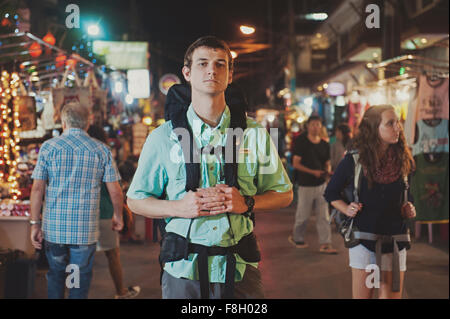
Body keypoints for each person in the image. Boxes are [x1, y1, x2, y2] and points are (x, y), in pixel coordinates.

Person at [126, 36, 293, 299]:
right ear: (187, 73)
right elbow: (136, 200)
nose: (211, 70)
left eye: (220, 64)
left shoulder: (255, 134)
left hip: (239, 269)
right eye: (202, 63)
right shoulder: (162, 137)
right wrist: (177, 207)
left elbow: (284, 194)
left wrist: (246, 203)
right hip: (183, 270)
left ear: (229, 75)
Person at [29, 103, 123, 299]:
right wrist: (118, 215)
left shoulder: (48, 148)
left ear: (63, 122)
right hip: (84, 230)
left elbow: (37, 189)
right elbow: (115, 191)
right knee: (78, 277)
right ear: (88, 123)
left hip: (54, 228)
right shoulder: (101, 150)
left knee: (55, 274)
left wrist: (34, 223)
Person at [324, 105, 416, 299]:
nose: (397, 127)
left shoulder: (404, 159)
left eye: (397, 122)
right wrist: (346, 208)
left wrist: (409, 208)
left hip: (396, 240)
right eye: (390, 123)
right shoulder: (355, 160)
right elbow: (331, 192)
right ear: (374, 128)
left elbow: (408, 195)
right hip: (364, 241)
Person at [87, 125, 141, 299]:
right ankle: (120, 292)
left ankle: (79, 293)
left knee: (82, 257)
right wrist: (119, 214)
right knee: (113, 255)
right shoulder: (104, 153)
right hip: (105, 211)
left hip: (83, 213)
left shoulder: (80, 154)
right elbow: (115, 188)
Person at [289, 115, 337, 254]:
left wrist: (327, 172)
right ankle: (297, 238)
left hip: (321, 184)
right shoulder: (301, 142)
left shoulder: (324, 144)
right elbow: (296, 164)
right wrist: (312, 172)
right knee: (303, 215)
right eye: (313, 124)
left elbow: (327, 163)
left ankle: (325, 243)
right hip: (305, 184)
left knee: (323, 216)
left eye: (318, 124)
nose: (316, 127)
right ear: (308, 126)